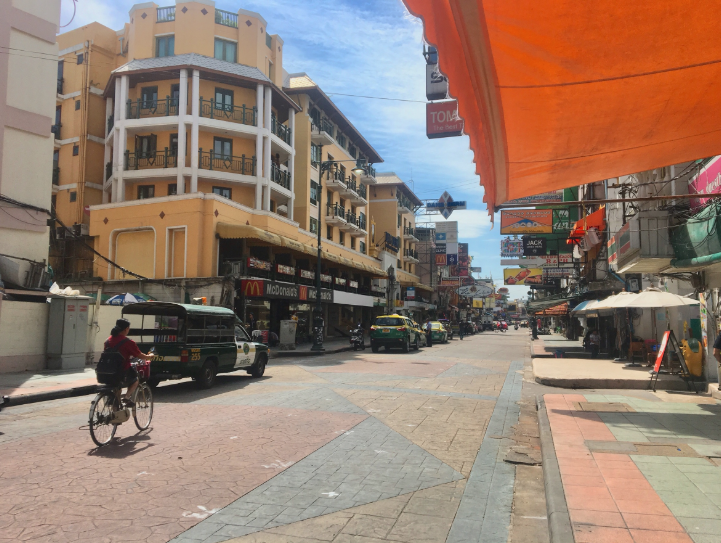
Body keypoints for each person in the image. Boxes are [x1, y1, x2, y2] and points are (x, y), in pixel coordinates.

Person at [104, 319, 154, 406]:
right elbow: (139, 355)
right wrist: (149, 357)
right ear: (126, 329)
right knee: (135, 380)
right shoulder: (128, 342)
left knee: (117, 387)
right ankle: (127, 398)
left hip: (106, 371)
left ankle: (116, 411)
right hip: (121, 370)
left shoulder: (108, 341)